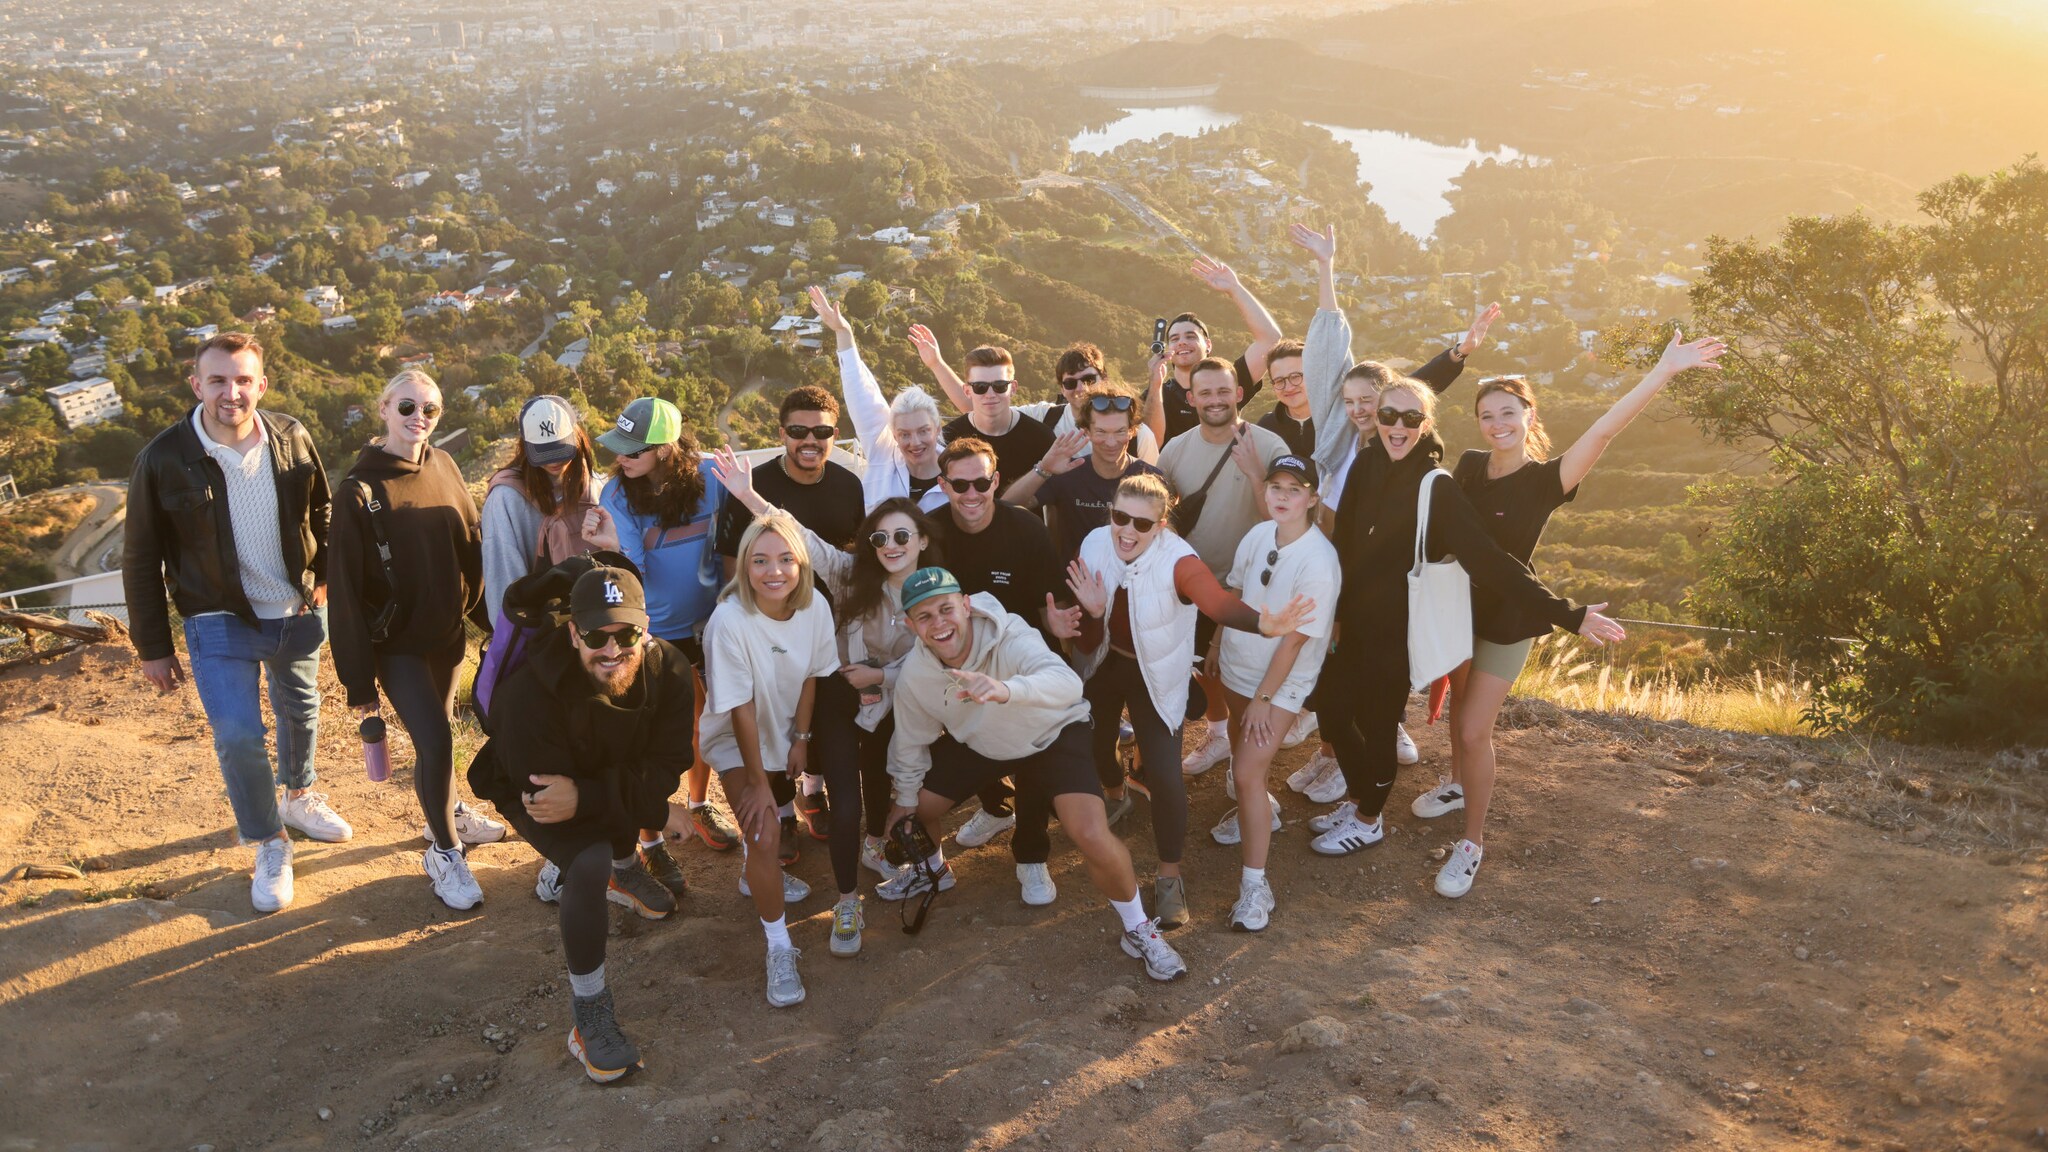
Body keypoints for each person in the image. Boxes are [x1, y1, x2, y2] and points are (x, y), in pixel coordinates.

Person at [1421, 334, 1725, 898]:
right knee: (1459, 705)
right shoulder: (1465, 465)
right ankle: (1457, 784)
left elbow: (1605, 430)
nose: (1497, 424)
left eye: (1507, 413)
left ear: (1527, 415)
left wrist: (1664, 371)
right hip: (1456, 612)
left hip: (1513, 617)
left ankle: (1471, 844)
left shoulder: (1547, 480)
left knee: (1471, 728)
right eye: (1487, 416)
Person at [1309, 377, 1628, 857]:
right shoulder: (1370, 463)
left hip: (1404, 623)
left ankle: (1369, 818)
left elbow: (1490, 559)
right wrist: (1335, 611)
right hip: (1354, 618)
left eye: (1411, 418)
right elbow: (1346, 542)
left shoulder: (1436, 486)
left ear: (1426, 424)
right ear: (1376, 418)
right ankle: (1357, 799)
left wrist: (1569, 615)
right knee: (1331, 709)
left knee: (1379, 724)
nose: (1398, 426)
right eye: (1388, 416)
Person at [123, 331, 349, 914]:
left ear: (261, 385)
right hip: (216, 616)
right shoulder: (164, 458)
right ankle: (269, 840)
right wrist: (153, 645)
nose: (232, 392)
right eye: (218, 380)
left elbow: (323, 509)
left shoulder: (292, 437)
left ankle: (298, 795)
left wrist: (323, 574)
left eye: (243, 379)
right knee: (238, 735)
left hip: (294, 606)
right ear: (197, 385)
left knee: (301, 709)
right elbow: (141, 556)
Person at [880, 567, 1189, 982]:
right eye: (925, 616)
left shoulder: (1010, 633)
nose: (939, 623)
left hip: (1052, 730)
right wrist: (902, 799)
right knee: (915, 807)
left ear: (966, 606)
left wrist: (1005, 690)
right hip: (986, 744)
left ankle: (1138, 929)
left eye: (946, 609)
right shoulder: (916, 675)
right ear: (911, 625)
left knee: (1091, 834)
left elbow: (1065, 683)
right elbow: (910, 742)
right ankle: (933, 869)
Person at [1287, 221, 1499, 793]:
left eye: (1370, 402)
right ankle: (1335, 751)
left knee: (1377, 661)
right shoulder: (1337, 441)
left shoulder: (1399, 448)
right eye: (1351, 401)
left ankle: (1380, 736)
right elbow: (1330, 350)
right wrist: (1325, 268)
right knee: (1337, 666)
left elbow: (1420, 390)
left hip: (1379, 580)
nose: (1360, 410)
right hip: (1335, 568)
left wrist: (1457, 355)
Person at [465, 564, 695, 1082]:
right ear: (573, 633)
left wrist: (615, 798)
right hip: (533, 783)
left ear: (646, 627)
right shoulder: (527, 694)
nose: (612, 650)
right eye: (595, 635)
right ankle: (589, 1015)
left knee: (621, 800)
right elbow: (550, 796)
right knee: (587, 860)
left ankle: (626, 865)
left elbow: (664, 767)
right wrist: (648, 811)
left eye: (627, 633)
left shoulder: (672, 672)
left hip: (590, 780)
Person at [712, 444, 943, 954]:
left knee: (884, 785)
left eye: (903, 535)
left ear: (922, 541)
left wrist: (880, 676)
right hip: (843, 699)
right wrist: (750, 496)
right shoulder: (848, 574)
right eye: (879, 537)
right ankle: (847, 899)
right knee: (847, 803)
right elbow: (805, 541)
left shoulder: (936, 591)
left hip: (895, 702)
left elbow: (942, 654)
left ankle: (879, 849)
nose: (890, 545)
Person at [1064, 474, 1314, 929]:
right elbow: (1085, 635)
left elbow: (1216, 604)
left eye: (1142, 524)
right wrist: (1093, 614)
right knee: (1096, 746)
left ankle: (1168, 874)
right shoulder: (1096, 543)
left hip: (1155, 673)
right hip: (1103, 664)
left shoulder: (1178, 560)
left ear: (1161, 526)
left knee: (1164, 772)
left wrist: (1266, 623)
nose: (1127, 531)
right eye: (1120, 517)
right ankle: (1117, 793)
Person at [328, 368, 501, 911]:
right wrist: (358, 681)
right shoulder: (359, 490)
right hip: (397, 645)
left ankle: (446, 811)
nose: (418, 418)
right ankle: (444, 852)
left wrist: (492, 627)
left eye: (430, 409)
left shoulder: (444, 465)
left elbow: (472, 545)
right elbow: (347, 594)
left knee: (443, 728)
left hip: (446, 635)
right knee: (435, 741)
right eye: (407, 407)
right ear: (383, 409)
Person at [712, 385, 865, 844]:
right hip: (766, 622)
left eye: (820, 431)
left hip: (827, 625)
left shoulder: (848, 485)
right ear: (782, 433)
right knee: (769, 718)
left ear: (835, 434)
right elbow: (730, 559)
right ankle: (781, 809)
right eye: (799, 431)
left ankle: (812, 790)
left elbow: (852, 564)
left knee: (821, 710)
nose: (809, 441)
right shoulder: (753, 484)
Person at [697, 511, 838, 1003]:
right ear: (744, 566)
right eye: (759, 561)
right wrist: (758, 782)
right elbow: (739, 708)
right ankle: (779, 947)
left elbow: (812, 676)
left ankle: (752, 875)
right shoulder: (729, 621)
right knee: (765, 830)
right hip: (739, 737)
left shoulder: (816, 606)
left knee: (765, 838)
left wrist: (800, 738)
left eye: (785, 559)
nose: (773, 571)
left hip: (782, 728)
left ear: (801, 564)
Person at [921, 437, 1082, 861]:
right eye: (959, 486)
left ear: (995, 482)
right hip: (960, 659)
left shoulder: (1027, 528)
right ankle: (994, 806)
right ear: (943, 484)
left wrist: (1058, 623)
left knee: (1031, 755)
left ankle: (1031, 852)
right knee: (967, 737)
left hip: (1021, 655)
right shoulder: (931, 535)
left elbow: (1046, 605)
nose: (971, 494)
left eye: (980, 483)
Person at [597, 397, 743, 861]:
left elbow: (730, 547)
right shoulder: (617, 496)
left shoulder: (711, 480)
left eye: (632, 449)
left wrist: (730, 608)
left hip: (707, 622)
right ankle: (650, 836)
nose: (621, 457)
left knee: (705, 725)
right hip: (649, 631)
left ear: (665, 448)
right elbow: (633, 572)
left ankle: (699, 805)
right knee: (645, 735)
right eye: (618, 446)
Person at [1208, 456, 1339, 932]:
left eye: (1294, 489)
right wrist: (1217, 642)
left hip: (1281, 683)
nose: (1282, 496)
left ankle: (1255, 886)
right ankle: (1261, 809)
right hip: (1240, 666)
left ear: (1312, 498)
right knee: (1248, 767)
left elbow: (1295, 641)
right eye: (1275, 487)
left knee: (1244, 773)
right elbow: (1238, 590)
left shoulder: (1319, 561)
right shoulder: (1259, 534)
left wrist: (1265, 697)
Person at [1155, 356, 1292, 778]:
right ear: (1191, 397)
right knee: (1206, 669)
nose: (1214, 400)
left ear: (1238, 394)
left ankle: (1247, 767)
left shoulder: (1269, 448)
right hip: (1197, 584)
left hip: (1255, 586)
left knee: (1247, 678)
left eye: (1222, 391)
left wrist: (1255, 475)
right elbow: (1156, 514)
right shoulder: (1175, 450)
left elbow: (1284, 525)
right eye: (1205, 392)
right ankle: (1218, 736)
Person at [481, 394, 615, 630]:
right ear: (525, 447)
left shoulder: (595, 485)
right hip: (541, 632)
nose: (555, 462)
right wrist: (513, 636)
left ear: (577, 437)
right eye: (544, 453)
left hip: (598, 625)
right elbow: (504, 580)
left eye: (561, 450)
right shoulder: (506, 498)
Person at [810, 287, 949, 514]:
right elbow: (862, 395)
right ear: (893, 435)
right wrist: (843, 332)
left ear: (937, 429)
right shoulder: (883, 452)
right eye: (904, 434)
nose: (915, 442)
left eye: (923, 431)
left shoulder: (959, 475)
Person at [998, 382, 1165, 564]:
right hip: (1074, 583)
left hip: (1132, 584)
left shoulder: (1150, 479)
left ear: (1132, 432)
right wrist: (1043, 469)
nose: (1111, 442)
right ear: (1087, 432)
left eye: (1119, 432)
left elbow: (1165, 539)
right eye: (1101, 432)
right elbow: (1005, 507)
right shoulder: (1068, 473)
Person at [928, 340, 1166, 465]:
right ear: (1062, 388)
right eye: (1071, 383)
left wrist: (1156, 385)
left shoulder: (1138, 437)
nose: (1081, 388)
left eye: (1089, 379)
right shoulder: (1047, 417)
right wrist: (936, 364)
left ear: (1104, 377)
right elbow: (984, 406)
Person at [904, 336, 1055, 500]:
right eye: (980, 387)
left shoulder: (1041, 438)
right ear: (967, 391)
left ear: (1013, 388)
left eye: (999, 386)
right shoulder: (948, 440)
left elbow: (1054, 501)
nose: (990, 395)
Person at [1157, 256, 1285, 441]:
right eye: (1174, 339)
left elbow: (1270, 339)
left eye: (1191, 336)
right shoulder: (1157, 395)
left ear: (1208, 345)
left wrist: (1235, 289)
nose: (1182, 342)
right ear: (1168, 348)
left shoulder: (1229, 381)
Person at [1253, 340, 1315, 458]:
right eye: (1279, 381)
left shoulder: (1336, 423)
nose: (1289, 387)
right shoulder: (1266, 428)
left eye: (1296, 377)